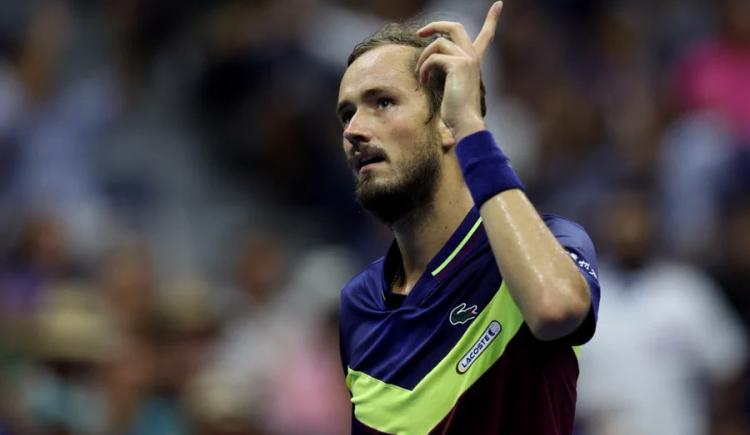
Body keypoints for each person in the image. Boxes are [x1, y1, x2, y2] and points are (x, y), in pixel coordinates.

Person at [336, 2, 600, 434]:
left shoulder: (550, 243)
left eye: (382, 102)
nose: (354, 130)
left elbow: (556, 307)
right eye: (347, 113)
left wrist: (470, 127)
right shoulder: (358, 303)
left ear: (446, 120)